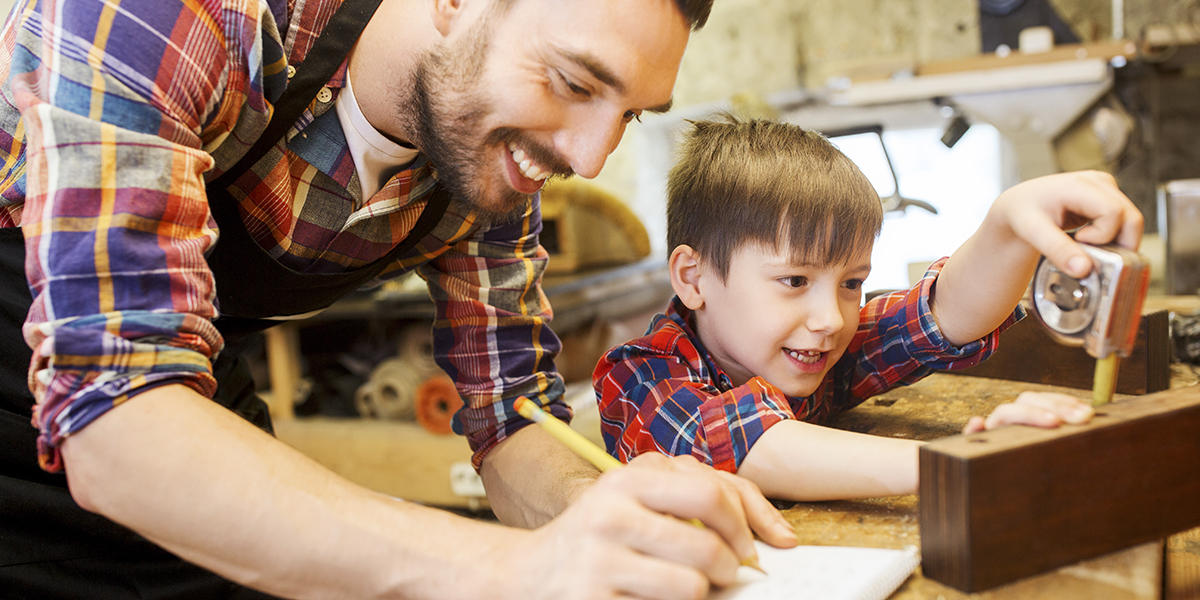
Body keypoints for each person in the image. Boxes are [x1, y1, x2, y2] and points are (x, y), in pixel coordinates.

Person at [0, 1, 799, 599]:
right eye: (572, 82)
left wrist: (609, 517)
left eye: (625, 114)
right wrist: (512, 568)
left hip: (193, 384)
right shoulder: (181, 15)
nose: (588, 157)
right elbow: (115, 418)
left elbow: (516, 417)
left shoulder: (489, 166)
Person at [595, 116, 1144, 501]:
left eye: (852, 283)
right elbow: (744, 442)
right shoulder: (639, 374)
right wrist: (965, 461)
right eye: (793, 279)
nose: (831, 318)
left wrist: (1009, 222)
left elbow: (943, 314)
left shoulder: (815, 347)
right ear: (694, 279)